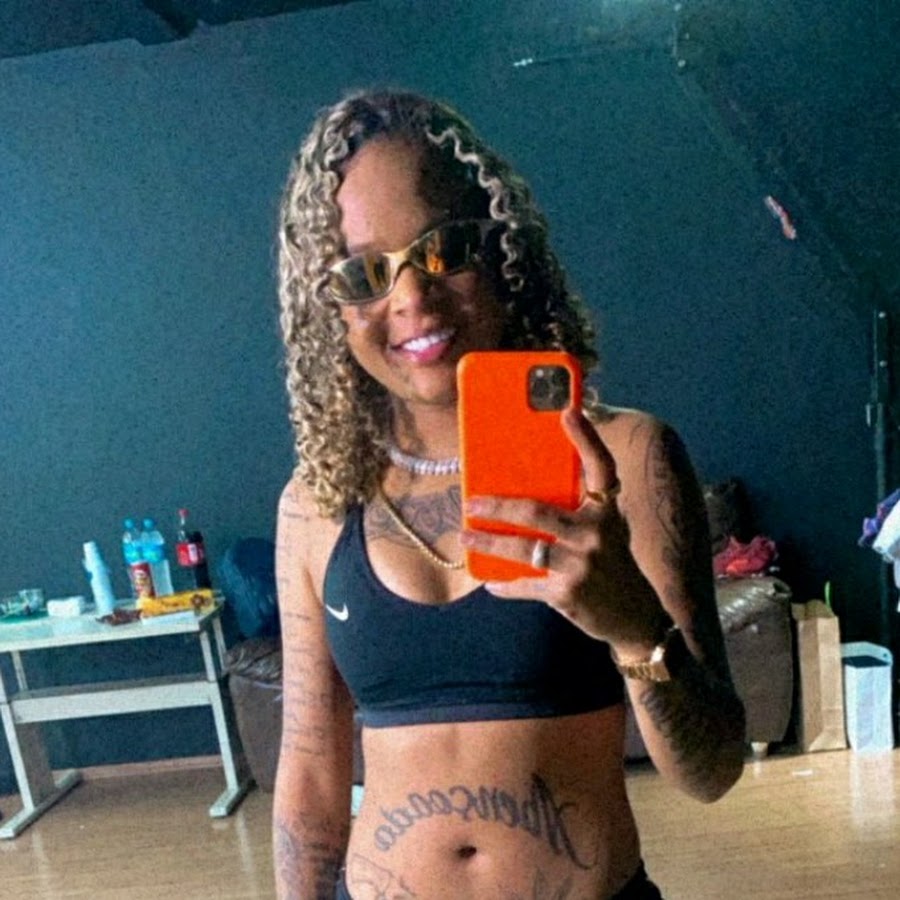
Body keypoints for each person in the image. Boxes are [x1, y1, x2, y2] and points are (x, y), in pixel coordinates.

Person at [272, 89, 746, 900]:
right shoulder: (316, 502)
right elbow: (311, 780)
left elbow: (712, 771)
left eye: (444, 248)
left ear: (500, 251)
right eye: (364, 273)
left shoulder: (625, 459)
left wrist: (635, 626)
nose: (412, 298)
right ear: (331, 309)